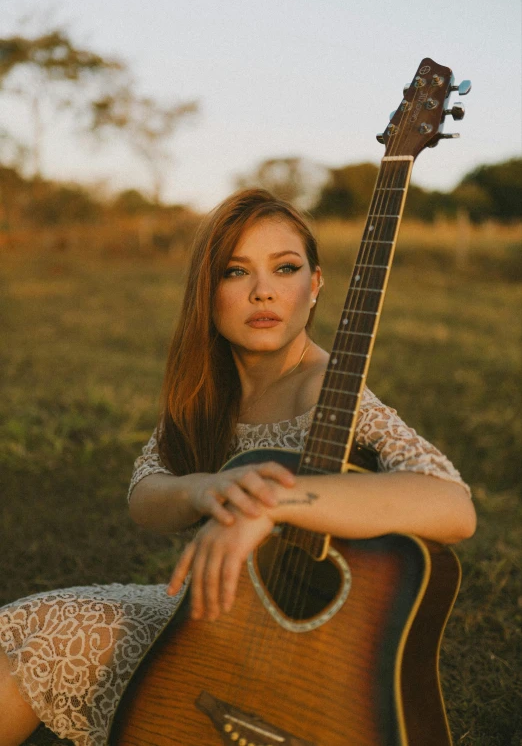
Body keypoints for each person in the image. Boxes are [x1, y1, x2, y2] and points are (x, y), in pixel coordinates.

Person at [0, 188, 476, 746]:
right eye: (235, 271)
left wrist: (269, 502)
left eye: (286, 268)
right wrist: (207, 490)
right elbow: (145, 493)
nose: (263, 291)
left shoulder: (332, 391)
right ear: (208, 291)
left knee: (34, 635)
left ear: (316, 284)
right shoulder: (210, 388)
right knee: (20, 627)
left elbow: (452, 503)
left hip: (309, 656)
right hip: (214, 614)